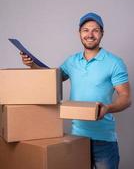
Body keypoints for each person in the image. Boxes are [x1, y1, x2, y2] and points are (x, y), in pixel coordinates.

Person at [20, 12, 131, 169]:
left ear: (102, 33)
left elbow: (126, 97)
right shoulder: (71, 61)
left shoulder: (114, 62)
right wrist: (32, 65)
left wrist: (108, 108)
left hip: (104, 140)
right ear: (79, 33)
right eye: (85, 30)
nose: (90, 34)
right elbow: (51, 77)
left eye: (95, 30)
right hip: (76, 137)